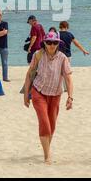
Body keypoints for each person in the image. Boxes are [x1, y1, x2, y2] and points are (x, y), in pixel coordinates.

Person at [23, 31, 73, 164]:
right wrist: (26, 95)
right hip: (38, 92)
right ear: (44, 43)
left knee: (52, 125)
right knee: (44, 123)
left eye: (55, 42)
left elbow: (68, 78)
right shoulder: (38, 55)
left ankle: (46, 148)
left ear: (58, 44)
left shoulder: (63, 58)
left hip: (56, 94)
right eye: (49, 42)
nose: (52, 45)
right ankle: (47, 155)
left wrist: (70, 97)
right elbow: (29, 74)